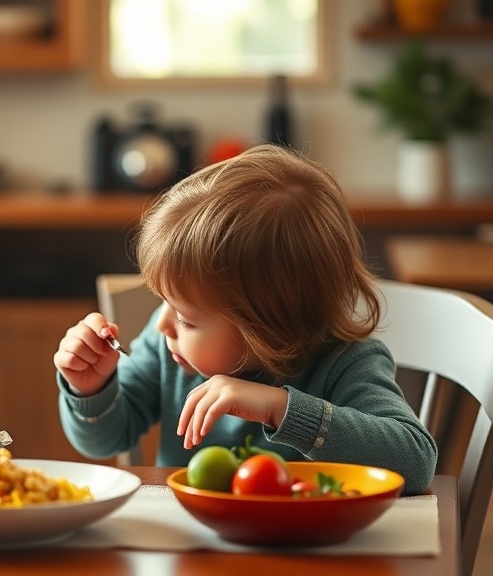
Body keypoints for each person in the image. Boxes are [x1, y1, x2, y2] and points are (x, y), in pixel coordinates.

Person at [53, 144, 437, 495]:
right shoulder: (170, 351)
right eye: (165, 302)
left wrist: (281, 408)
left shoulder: (345, 363)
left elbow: (416, 463)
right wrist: (92, 389)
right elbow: (105, 439)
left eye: (187, 318)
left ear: (267, 326)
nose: (162, 325)